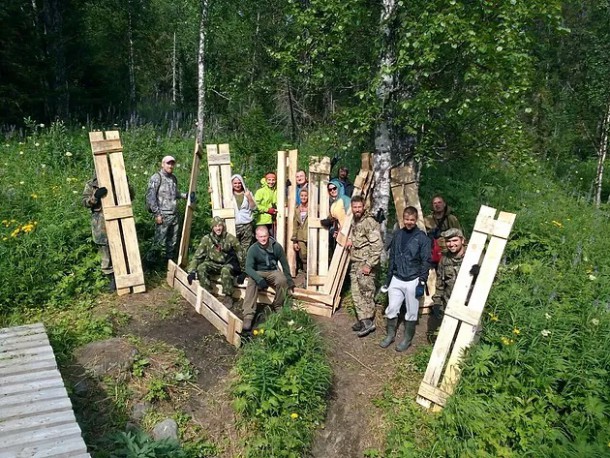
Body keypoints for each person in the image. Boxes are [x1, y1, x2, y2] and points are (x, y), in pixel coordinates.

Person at [380, 206, 431, 352]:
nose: (409, 222)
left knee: (412, 311)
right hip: (397, 277)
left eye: (412, 220)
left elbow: (425, 261)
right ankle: (390, 334)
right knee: (392, 308)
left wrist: (422, 281)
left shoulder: (422, 238)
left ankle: (407, 339)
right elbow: (393, 257)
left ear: (416, 220)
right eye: (406, 219)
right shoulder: (398, 234)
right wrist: (388, 279)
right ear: (403, 219)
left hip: (413, 279)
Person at [243, 225, 295, 331]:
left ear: (268, 235)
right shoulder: (253, 249)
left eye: (265, 236)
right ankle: (248, 315)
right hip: (258, 272)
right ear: (256, 237)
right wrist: (259, 279)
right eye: (260, 236)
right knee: (252, 281)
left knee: (282, 280)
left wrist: (289, 279)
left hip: (272, 271)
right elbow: (248, 268)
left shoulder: (276, 246)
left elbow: (284, 263)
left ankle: (278, 305)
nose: (263, 239)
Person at [345, 195, 383, 337]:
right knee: (356, 292)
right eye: (354, 207)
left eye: (359, 207)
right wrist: (351, 241)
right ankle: (363, 319)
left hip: (364, 264)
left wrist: (369, 264)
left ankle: (368, 323)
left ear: (364, 207)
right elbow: (359, 238)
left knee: (365, 292)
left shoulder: (369, 222)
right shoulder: (356, 221)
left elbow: (377, 246)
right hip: (356, 262)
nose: (357, 210)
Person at [145, 155, 190, 262]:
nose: (170, 165)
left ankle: (168, 264)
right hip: (163, 216)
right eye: (168, 163)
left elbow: (174, 193)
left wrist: (185, 195)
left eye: (172, 163)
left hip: (174, 215)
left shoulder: (173, 178)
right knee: (159, 241)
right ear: (162, 164)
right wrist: (157, 214)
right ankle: (151, 264)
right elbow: (150, 197)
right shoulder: (156, 177)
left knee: (172, 241)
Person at [186, 217, 242, 299]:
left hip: (227, 264)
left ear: (223, 226)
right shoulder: (207, 239)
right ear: (212, 228)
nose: (218, 228)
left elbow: (240, 254)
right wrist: (191, 271)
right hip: (213, 264)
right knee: (201, 267)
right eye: (215, 226)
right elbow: (197, 256)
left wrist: (244, 272)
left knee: (225, 270)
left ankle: (228, 297)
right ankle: (207, 294)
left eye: (220, 225)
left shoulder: (230, 238)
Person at [428, 228, 466, 342]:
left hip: (469, 302)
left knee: (469, 333)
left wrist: (478, 272)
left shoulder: (473, 257)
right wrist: (437, 302)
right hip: (450, 302)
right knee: (450, 333)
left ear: (462, 240)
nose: (451, 244)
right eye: (448, 241)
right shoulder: (444, 260)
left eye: (455, 240)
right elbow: (440, 282)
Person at [82, 175, 115, 291]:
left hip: (118, 221)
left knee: (122, 247)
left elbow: (131, 196)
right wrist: (95, 197)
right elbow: (85, 202)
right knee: (106, 253)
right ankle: (112, 279)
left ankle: (125, 273)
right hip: (101, 224)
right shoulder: (91, 184)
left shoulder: (116, 178)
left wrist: (125, 183)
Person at [424, 195, 463, 265]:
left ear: (444, 204)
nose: (437, 205)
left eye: (439, 202)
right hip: (433, 254)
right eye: (435, 203)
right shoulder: (427, 220)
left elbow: (460, 235)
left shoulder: (451, 219)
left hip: (449, 252)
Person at [231, 174, 256, 268]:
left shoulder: (247, 193)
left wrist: (249, 197)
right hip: (234, 224)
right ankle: (236, 267)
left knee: (246, 248)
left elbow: (253, 207)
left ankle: (245, 268)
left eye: (239, 183)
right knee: (234, 247)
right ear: (232, 184)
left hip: (247, 224)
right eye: (235, 183)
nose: (237, 185)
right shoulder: (228, 194)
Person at [321, 179, 351, 255]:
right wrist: (334, 230)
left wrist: (349, 233)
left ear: (338, 188)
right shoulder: (333, 204)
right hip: (340, 234)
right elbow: (335, 221)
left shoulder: (345, 199)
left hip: (348, 232)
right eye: (330, 189)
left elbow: (350, 216)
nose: (332, 191)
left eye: (334, 188)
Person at [291, 188, 309, 272]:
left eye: (305, 195)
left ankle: (311, 274)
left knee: (312, 256)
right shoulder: (297, 209)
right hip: (300, 237)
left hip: (310, 235)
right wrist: (295, 241)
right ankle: (306, 275)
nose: (304, 197)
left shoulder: (312, 208)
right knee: (303, 256)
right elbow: (295, 225)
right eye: (302, 196)